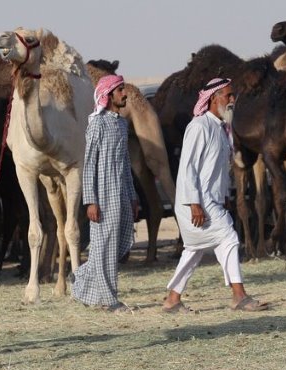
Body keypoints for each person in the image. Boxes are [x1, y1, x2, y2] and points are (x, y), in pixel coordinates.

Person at [162, 77, 269, 313]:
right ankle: (239, 296)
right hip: (196, 202)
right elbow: (188, 167)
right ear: (212, 98)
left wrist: (225, 195)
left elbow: (216, 169)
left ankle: (172, 300)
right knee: (229, 237)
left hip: (211, 201)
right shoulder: (199, 126)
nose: (232, 100)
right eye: (228, 96)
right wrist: (194, 204)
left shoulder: (220, 128)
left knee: (194, 250)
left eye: (233, 96)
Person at [71, 74, 139, 313]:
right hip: (101, 196)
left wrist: (132, 196)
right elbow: (89, 165)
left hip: (119, 195)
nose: (125, 94)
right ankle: (110, 300)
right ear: (108, 95)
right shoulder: (97, 124)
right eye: (120, 90)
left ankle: (81, 279)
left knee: (114, 245)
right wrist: (90, 200)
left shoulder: (121, 124)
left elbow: (125, 164)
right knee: (104, 247)